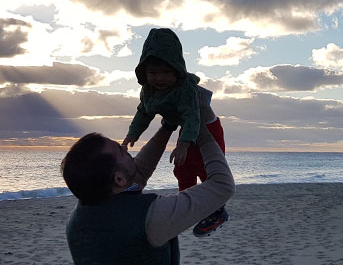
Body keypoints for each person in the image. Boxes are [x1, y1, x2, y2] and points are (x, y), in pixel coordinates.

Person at [61, 121, 235, 264]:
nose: (126, 149)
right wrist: (201, 129)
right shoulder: (151, 217)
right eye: (121, 152)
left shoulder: (79, 217)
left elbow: (138, 171)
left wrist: (168, 126)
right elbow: (222, 186)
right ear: (119, 180)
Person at [122, 28, 229, 236]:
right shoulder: (148, 90)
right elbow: (144, 112)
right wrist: (133, 133)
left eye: (166, 72)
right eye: (153, 73)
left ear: (177, 71)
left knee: (206, 169)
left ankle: (217, 211)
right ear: (144, 72)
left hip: (205, 126)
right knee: (182, 168)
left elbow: (192, 116)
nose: (159, 78)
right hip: (185, 130)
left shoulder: (185, 89)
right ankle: (187, 204)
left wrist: (183, 144)